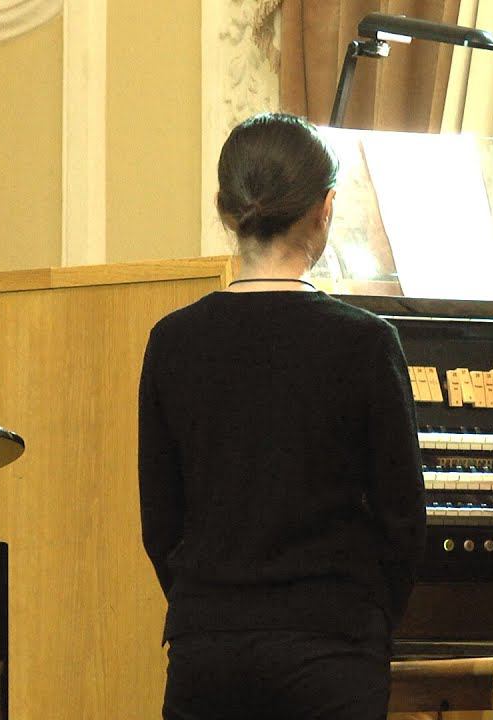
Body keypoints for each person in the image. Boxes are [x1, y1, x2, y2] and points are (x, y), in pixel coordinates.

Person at [138, 112, 426, 719]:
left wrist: (213, 611)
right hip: (332, 645)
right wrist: (366, 621)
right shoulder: (366, 341)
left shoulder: (172, 340)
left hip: (207, 647)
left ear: (224, 208)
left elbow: (160, 523)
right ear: (325, 208)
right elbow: (404, 519)